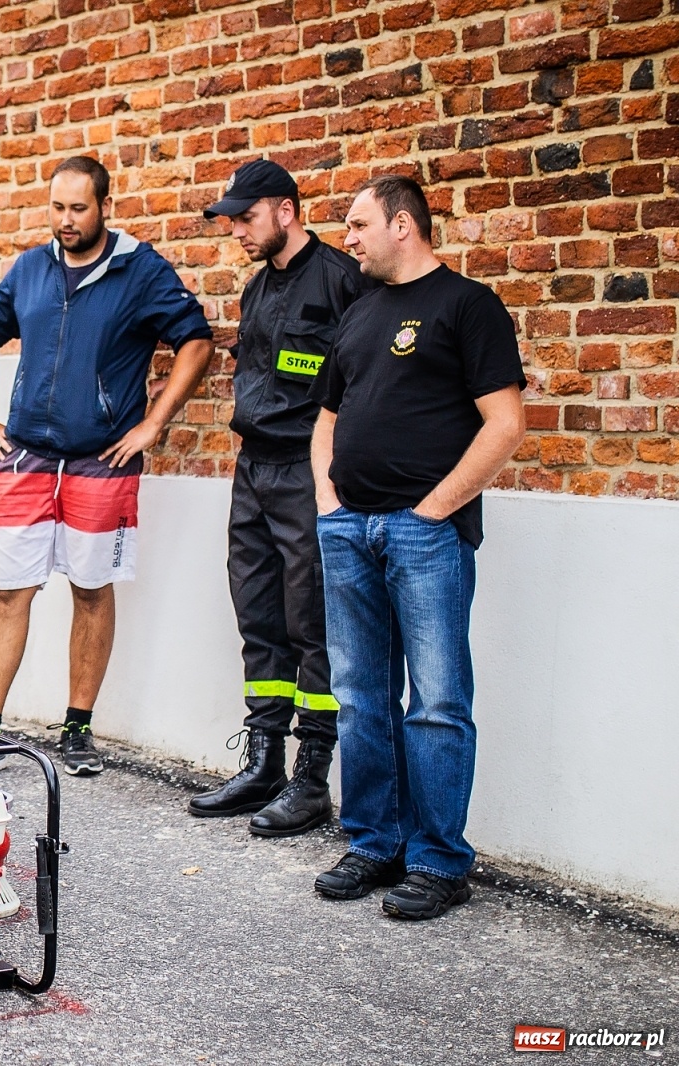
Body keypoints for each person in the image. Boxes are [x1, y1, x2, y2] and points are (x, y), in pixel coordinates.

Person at [310, 176, 525, 921]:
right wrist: (329, 505)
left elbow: (505, 424)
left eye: (360, 223)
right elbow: (327, 418)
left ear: (404, 225)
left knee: (435, 703)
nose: (349, 237)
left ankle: (438, 861)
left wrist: (434, 511)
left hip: (424, 534)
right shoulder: (361, 312)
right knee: (360, 697)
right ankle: (374, 842)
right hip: (350, 531)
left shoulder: (468, 307)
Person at [0, 156, 214, 777]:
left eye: (78, 208)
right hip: (23, 454)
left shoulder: (139, 270)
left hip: (101, 459)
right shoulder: (30, 267)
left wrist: (153, 423)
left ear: (105, 205)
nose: (66, 221)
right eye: (57, 208)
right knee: (7, 591)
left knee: (90, 589)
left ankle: (77, 728)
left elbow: (196, 340)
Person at [190, 160, 370, 836]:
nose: (236, 229)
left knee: (311, 623)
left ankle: (310, 779)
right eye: (231, 219)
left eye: (246, 216)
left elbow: (360, 385)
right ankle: (264, 761)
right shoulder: (258, 288)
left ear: (286, 210)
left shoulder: (343, 283)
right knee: (260, 617)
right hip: (253, 470)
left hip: (306, 469)